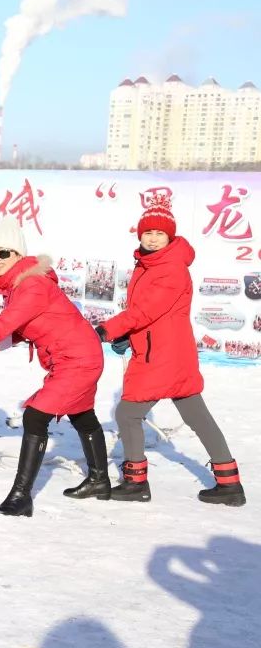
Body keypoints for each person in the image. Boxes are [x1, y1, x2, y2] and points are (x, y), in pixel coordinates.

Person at [0, 218, 106, 517]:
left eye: (4, 253)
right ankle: (100, 481)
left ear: (19, 254)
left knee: (36, 417)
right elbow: (19, 328)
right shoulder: (20, 285)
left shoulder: (32, 285)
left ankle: (20, 497)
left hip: (77, 360)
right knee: (82, 415)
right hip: (71, 357)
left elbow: (5, 323)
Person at [97, 199, 245, 506]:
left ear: (170, 237)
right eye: (147, 231)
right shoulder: (149, 263)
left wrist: (108, 329)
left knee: (127, 413)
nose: (152, 237)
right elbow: (147, 314)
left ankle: (136, 483)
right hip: (164, 351)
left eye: (159, 233)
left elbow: (145, 310)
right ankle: (229, 483)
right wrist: (128, 334)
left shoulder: (172, 268)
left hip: (162, 356)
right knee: (197, 416)